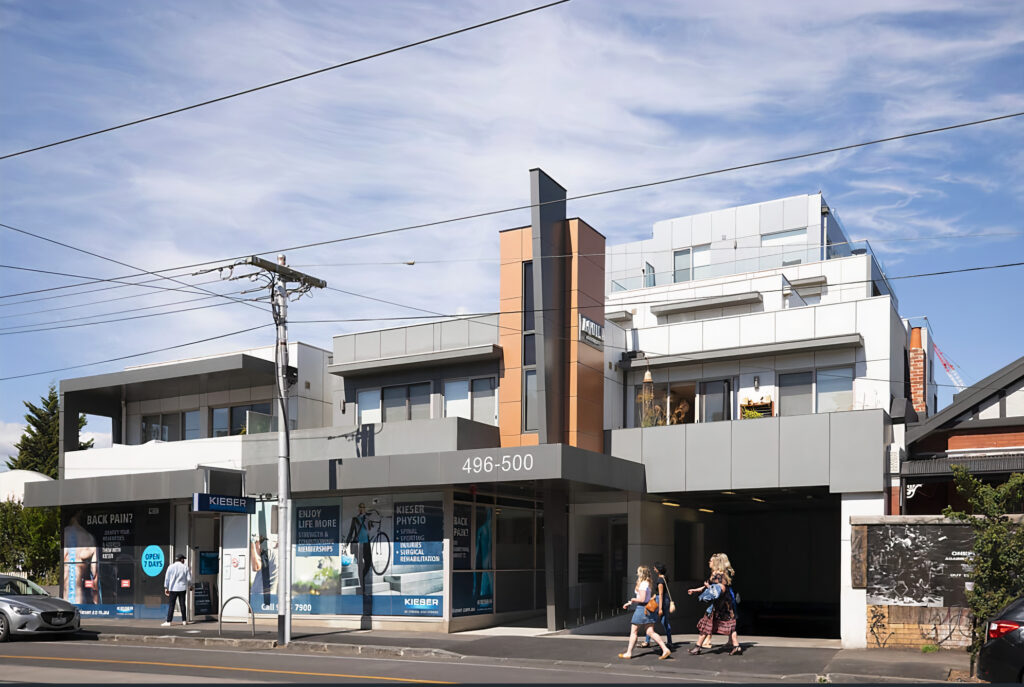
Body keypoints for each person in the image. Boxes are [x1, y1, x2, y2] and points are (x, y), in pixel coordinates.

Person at [687, 552, 742, 655]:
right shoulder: (716, 575)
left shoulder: (719, 576)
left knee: (706, 624)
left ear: (716, 563)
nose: (709, 562)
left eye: (710, 561)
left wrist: (709, 588)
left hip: (720, 606)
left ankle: (697, 647)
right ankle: (736, 646)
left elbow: (721, 589)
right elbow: (706, 586)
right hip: (724, 606)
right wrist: (695, 590)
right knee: (730, 627)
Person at [618, 565, 672, 660]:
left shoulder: (643, 584)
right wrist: (630, 603)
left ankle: (629, 653)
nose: (636, 574)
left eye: (638, 572)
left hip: (642, 609)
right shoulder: (647, 583)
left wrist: (633, 599)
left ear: (641, 573)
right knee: (650, 631)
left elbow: (642, 599)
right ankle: (665, 649)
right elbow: (645, 598)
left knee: (634, 631)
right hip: (648, 608)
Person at [346, 502, 373, 592]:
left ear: (364, 509)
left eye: (363, 507)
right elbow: (350, 532)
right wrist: (346, 544)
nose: (362, 509)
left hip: (366, 544)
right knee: (360, 565)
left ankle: (362, 577)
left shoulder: (366, 518)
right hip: (358, 544)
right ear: (358, 509)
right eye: (360, 507)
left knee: (368, 563)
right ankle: (362, 587)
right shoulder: (355, 519)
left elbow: (370, 529)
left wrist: (369, 521)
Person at [162, 553, 192, 626]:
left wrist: (166, 587)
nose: (184, 560)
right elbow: (189, 578)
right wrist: (190, 586)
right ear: (181, 559)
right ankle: (184, 621)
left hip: (173, 588)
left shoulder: (170, 567)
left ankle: (169, 621)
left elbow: (167, 578)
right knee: (182, 604)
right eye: (183, 559)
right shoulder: (185, 567)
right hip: (182, 588)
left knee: (172, 605)